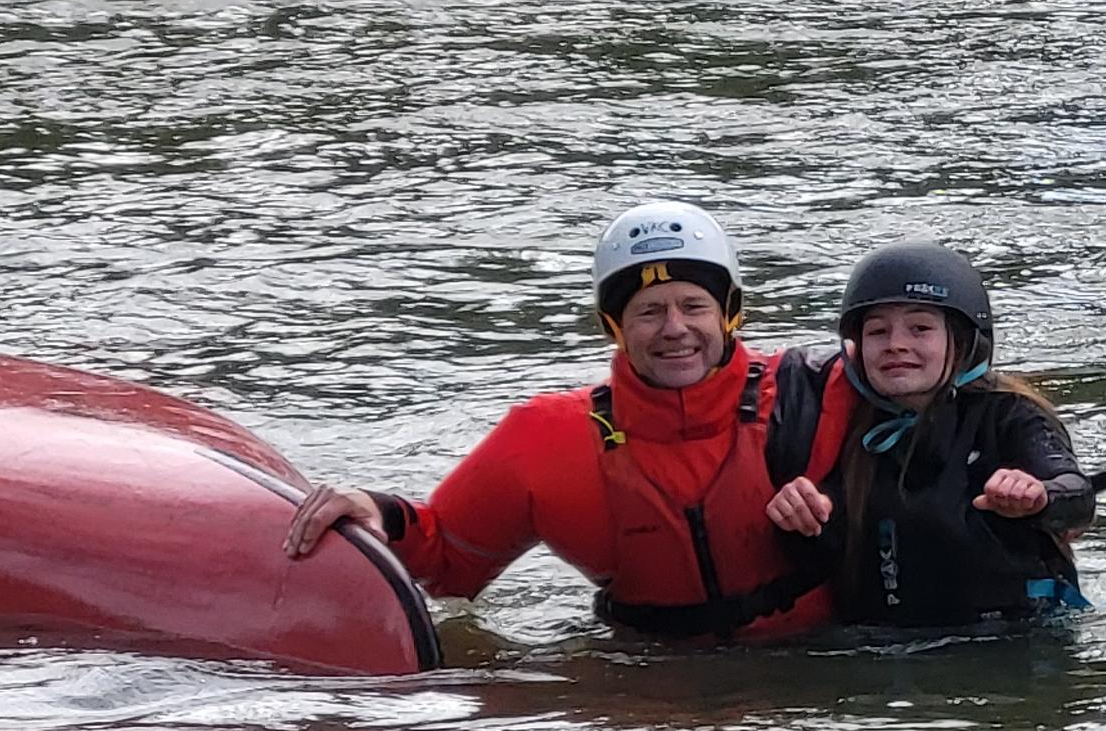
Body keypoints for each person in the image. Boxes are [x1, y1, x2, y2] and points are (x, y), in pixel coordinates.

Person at [284, 201, 847, 641]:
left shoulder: (821, 393)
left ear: (730, 314)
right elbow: (447, 567)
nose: (674, 328)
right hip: (643, 671)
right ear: (613, 326)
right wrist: (376, 512)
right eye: (649, 311)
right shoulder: (545, 440)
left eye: (694, 306)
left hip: (823, 667)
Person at [763, 243, 1095, 630]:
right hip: (886, 646)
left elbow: (1077, 496)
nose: (895, 344)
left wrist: (1039, 496)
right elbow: (824, 554)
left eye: (920, 328)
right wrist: (798, 518)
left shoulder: (1009, 413)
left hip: (1012, 640)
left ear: (963, 339)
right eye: (877, 331)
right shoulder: (845, 422)